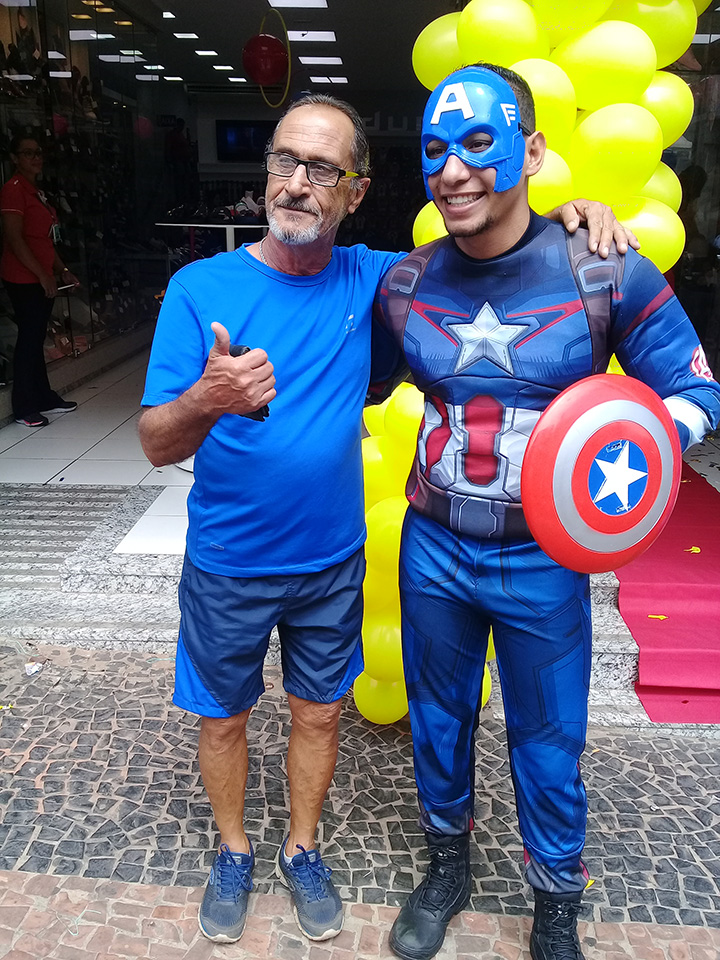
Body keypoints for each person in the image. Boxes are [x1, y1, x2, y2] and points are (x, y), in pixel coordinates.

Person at [138, 91, 635, 947]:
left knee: (319, 713)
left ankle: (302, 849)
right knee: (223, 715)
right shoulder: (199, 288)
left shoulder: (381, 279)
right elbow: (154, 442)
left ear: (356, 191)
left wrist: (568, 215)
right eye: (284, 161)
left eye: (322, 169)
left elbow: (485, 240)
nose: (297, 183)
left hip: (332, 559)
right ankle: (232, 851)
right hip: (227, 557)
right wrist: (206, 398)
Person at [372, 64, 720, 960]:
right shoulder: (403, 285)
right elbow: (349, 378)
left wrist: (638, 456)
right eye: (435, 149)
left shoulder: (602, 267)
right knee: (437, 719)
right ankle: (446, 866)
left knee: (549, 738)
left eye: (477, 143)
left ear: (530, 152)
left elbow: (694, 389)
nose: (453, 170)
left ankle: (557, 899)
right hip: (434, 547)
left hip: (543, 559)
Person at [1, 135, 79, 427]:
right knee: (29, 340)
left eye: (38, 153)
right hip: (23, 278)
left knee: (35, 339)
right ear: (14, 158)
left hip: (40, 275)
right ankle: (23, 406)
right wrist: (42, 275)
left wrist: (62, 269)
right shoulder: (13, 191)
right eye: (27, 153)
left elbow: (45, 241)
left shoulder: (36, 192)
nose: (35, 158)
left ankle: (43, 396)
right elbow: (15, 239)